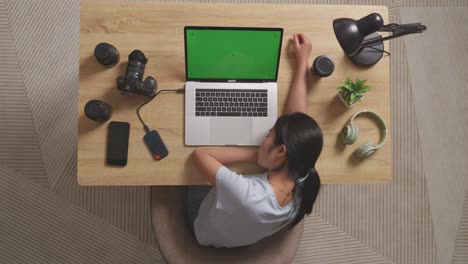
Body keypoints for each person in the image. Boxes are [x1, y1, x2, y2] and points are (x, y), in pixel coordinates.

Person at [186, 33, 323, 248]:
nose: (263, 138)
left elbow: (200, 154)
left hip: (203, 227)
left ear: (281, 152)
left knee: (182, 174)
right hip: (238, 227)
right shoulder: (303, 176)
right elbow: (296, 119)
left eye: (268, 135)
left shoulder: (247, 195)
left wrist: (255, 156)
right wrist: (302, 62)